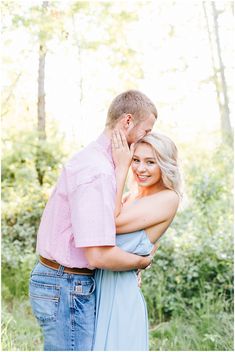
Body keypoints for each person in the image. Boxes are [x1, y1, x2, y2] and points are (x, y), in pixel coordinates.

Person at [29, 90, 158, 351]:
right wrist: (140, 262)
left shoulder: (99, 164)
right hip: (65, 285)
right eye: (146, 130)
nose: (148, 137)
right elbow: (98, 255)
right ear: (127, 122)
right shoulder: (97, 172)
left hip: (62, 283)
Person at [93, 130, 181, 351]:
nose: (140, 169)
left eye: (150, 162)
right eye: (135, 160)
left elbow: (108, 223)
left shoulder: (168, 198)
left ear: (165, 164)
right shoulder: (133, 195)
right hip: (100, 286)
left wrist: (121, 167)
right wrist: (143, 261)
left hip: (121, 295)